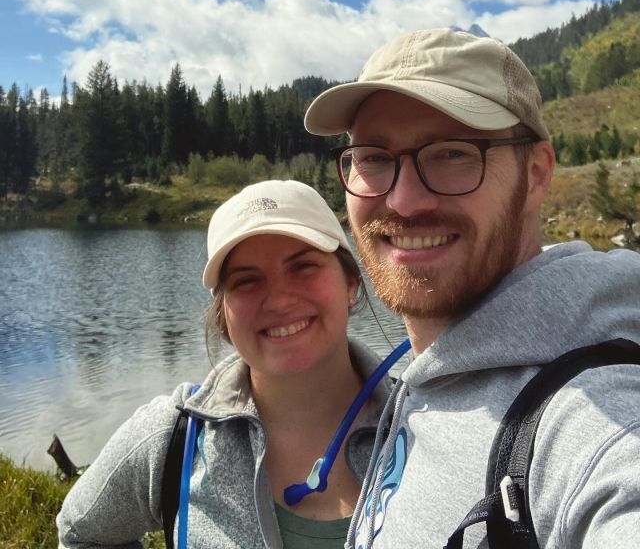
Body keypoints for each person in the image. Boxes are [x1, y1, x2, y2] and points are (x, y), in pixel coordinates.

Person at [304, 27, 640, 548]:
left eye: (452, 153)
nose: (404, 200)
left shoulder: (593, 416)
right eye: (373, 156)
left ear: (536, 173)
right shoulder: (426, 372)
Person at [57, 179, 394, 549]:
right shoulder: (172, 438)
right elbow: (80, 532)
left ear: (350, 283)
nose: (279, 299)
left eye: (304, 267)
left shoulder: (425, 421)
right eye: (246, 281)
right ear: (224, 317)